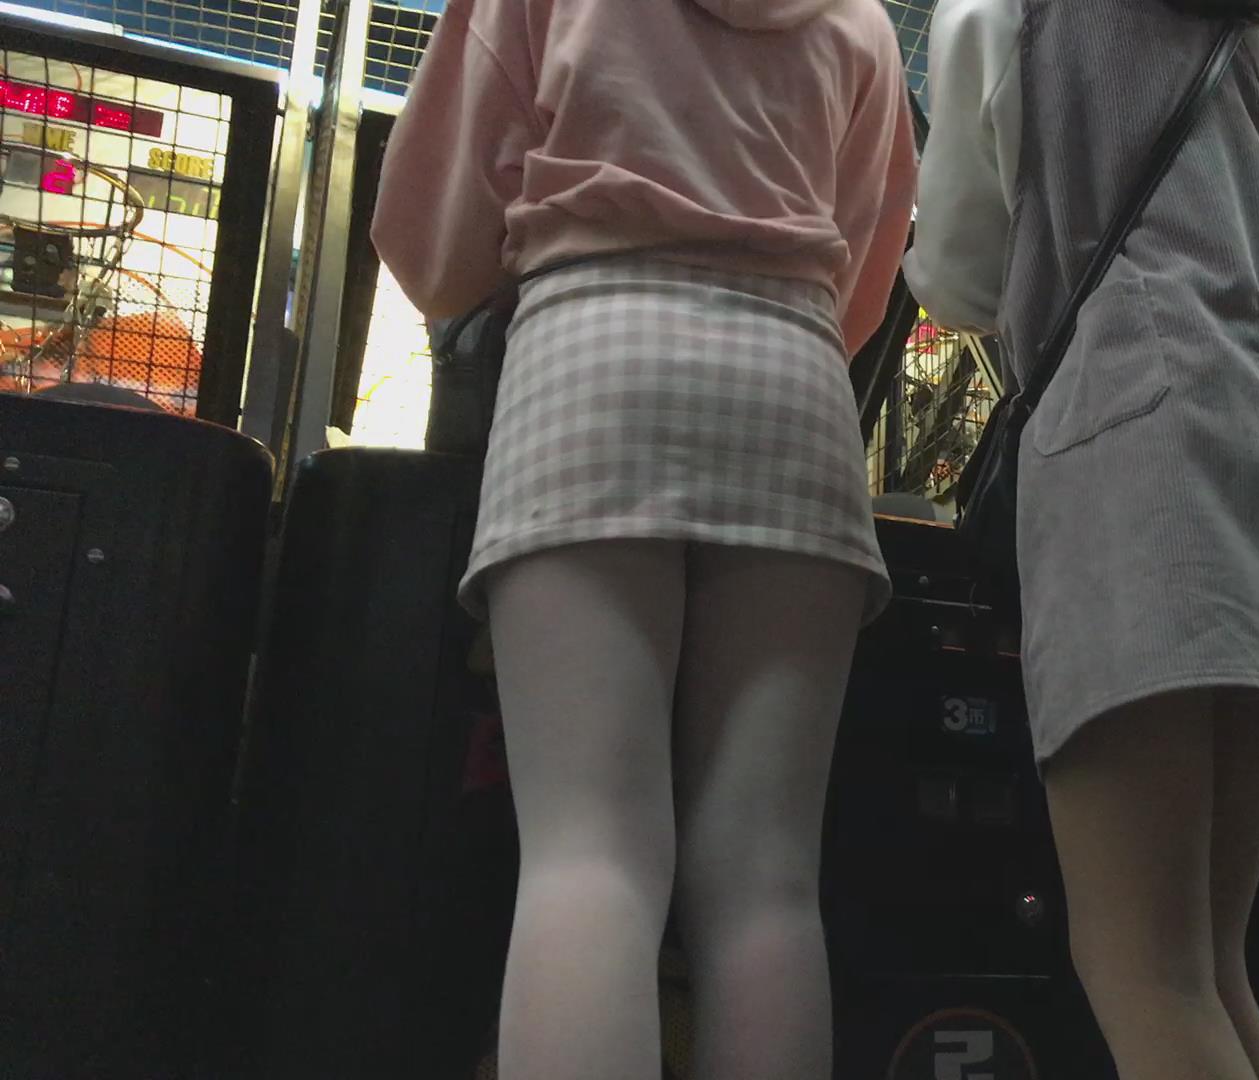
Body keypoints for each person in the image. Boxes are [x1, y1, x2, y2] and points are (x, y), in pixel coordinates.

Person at [369, 0, 917, 1073]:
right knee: (767, 882)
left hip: (593, 355)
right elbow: (866, 268)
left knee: (590, 858)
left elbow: (432, 239)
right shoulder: (862, 20)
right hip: (795, 383)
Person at [906, 0, 1259, 1076]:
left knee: (1140, 968)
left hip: (1136, 457)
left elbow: (962, 277)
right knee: (1209, 961)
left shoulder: (1007, 14)